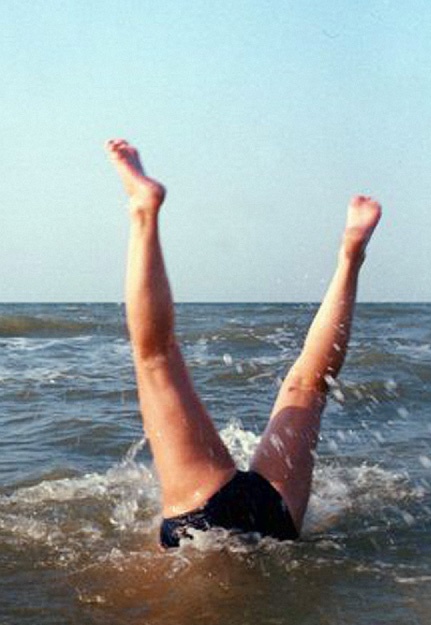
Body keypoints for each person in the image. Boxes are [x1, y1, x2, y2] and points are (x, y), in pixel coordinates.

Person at [105, 139, 382, 548]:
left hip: (268, 511)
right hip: (259, 512)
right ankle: (350, 259)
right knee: (160, 357)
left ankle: (144, 210)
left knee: (308, 385)